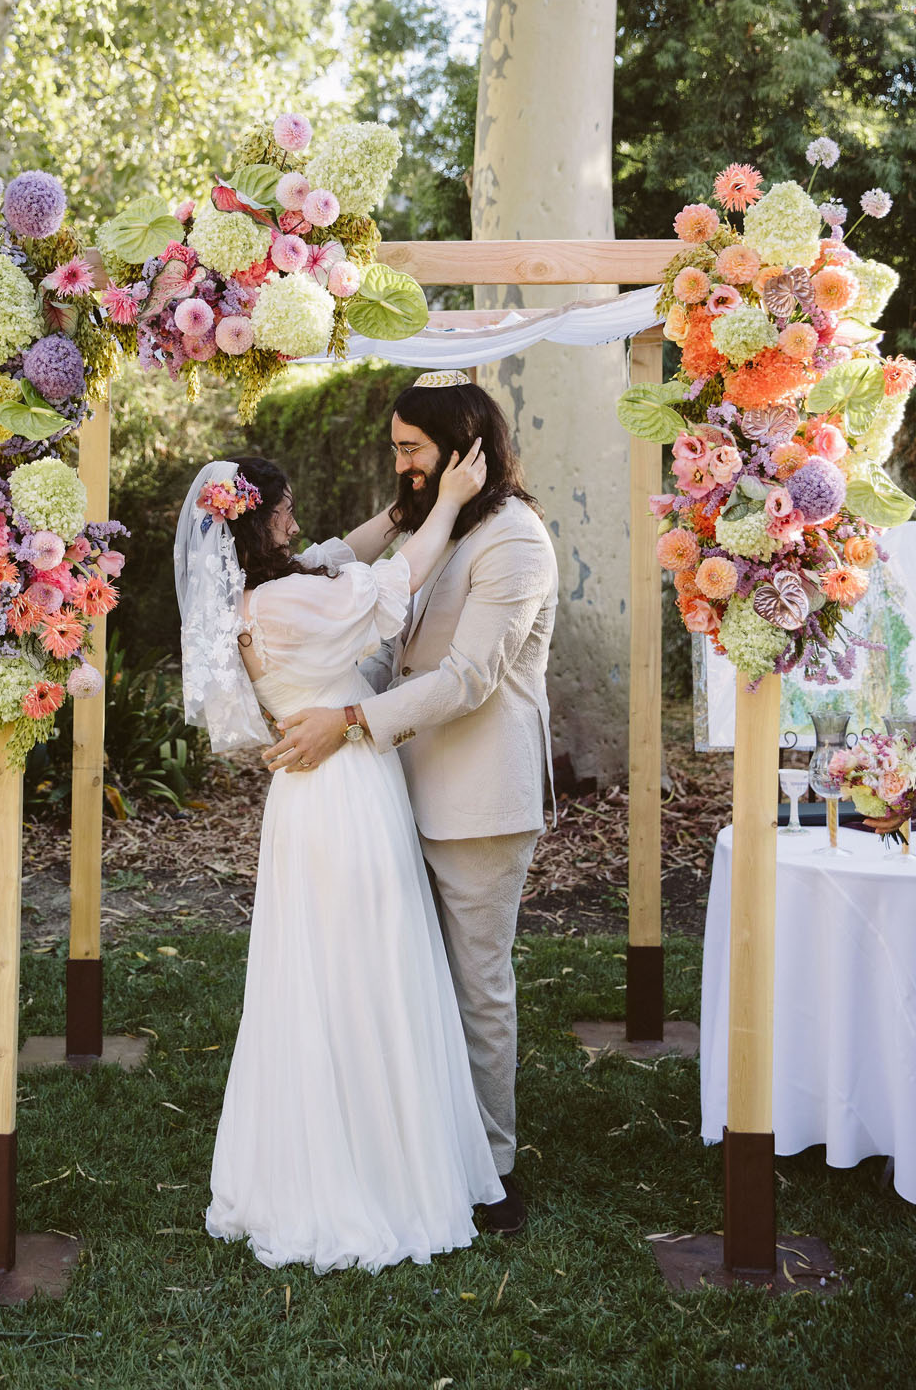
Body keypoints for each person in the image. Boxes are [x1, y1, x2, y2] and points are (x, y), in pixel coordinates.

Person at [176, 448, 504, 1272]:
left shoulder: (256, 597)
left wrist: (397, 511)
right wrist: (447, 502)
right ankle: (376, 1177)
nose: (295, 520)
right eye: (284, 508)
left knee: (316, 972)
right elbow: (393, 583)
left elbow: (347, 553)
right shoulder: (289, 602)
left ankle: (338, 1152)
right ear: (260, 517)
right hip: (346, 795)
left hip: (306, 803)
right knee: (367, 966)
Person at [265, 372, 558, 1235]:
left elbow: (468, 679)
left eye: (412, 449)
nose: (400, 463)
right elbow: (328, 566)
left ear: (465, 447)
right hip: (399, 790)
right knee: (413, 981)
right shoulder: (436, 522)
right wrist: (405, 508)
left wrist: (349, 720)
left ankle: (492, 1168)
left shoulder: (515, 540)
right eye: (396, 447)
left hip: (478, 801)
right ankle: (428, 1148)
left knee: (475, 986)